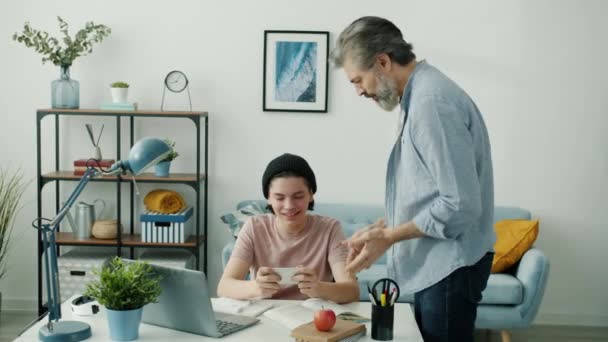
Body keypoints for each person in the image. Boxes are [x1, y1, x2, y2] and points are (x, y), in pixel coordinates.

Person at [330, 16, 495, 341]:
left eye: (357, 80)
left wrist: (391, 236)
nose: (359, 91)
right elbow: (429, 192)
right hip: (441, 265)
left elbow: (460, 205)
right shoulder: (418, 95)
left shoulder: (431, 104)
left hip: (450, 266)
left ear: (382, 62)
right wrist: (382, 226)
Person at [217, 153, 359, 303]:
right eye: (279, 197)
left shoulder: (330, 229)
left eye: (298, 196)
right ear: (268, 197)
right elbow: (224, 287)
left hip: (315, 318)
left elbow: (352, 291)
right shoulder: (254, 227)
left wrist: (319, 288)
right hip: (264, 315)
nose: (289, 206)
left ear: (311, 195)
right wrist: (255, 288)